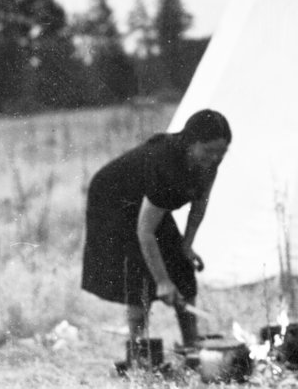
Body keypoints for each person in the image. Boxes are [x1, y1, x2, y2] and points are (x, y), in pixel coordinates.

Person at [81, 109, 231, 357]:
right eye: (208, 151)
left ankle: (191, 346)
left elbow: (200, 203)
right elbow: (145, 231)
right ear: (190, 143)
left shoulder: (209, 163)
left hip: (146, 202)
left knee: (182, 268)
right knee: (138, 274)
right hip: (113, 198)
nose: (215, 158)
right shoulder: (167, 165)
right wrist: (162, 281)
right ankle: (139, 353)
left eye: (221, 152)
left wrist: (187, 244)